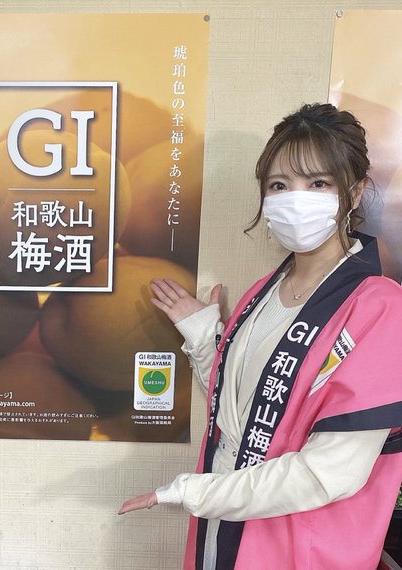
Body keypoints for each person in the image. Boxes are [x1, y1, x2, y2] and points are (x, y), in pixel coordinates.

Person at [118, 103, 402, 569]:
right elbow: (249, 412)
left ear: (354, 192)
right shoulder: (264, 292)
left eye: (318, 183)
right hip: (225, 527)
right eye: (279, 185)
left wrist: (193, 492)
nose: (295, 199)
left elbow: (328, 474)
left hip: (296, 546)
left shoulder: (379, 308)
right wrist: (205, 337)